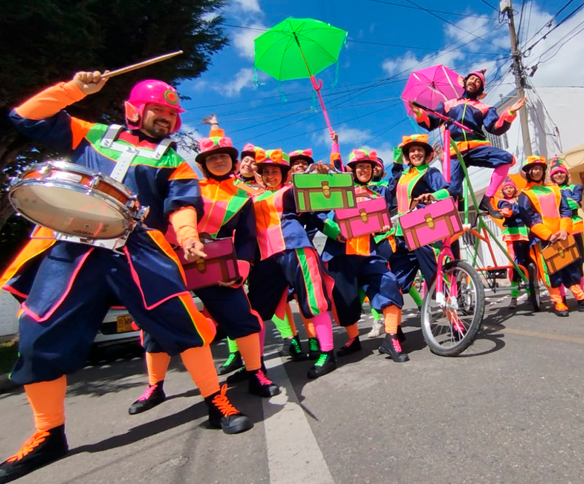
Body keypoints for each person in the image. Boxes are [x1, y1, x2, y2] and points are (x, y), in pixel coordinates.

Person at [0, 73, 252, 482]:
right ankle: (48, 433)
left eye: (173, 114)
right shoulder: (91, 133)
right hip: (71, 243)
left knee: (184, 322)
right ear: (135, 110)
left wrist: (187, 235)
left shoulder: (175, 160)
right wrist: (75, 90)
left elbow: (182, 205)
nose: (167, 119)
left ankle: (215, 399)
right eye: (160, 111)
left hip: (137, 247)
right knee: (37, 335)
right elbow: (25, 117)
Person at [129, 119, 280, 416]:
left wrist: (240, 268)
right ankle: (155, 386)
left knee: (241, 316)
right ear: (203, 163)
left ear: (233, 162)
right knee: (155, 324)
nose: (219, 161)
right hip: (173, 260)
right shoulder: (188, 187)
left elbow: (248, 238)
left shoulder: (242, 198)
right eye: (212, 157)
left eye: (224, 156)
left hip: (218, 267)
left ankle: (256, 372)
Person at [247, 148, 338, 379]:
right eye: (265, 171)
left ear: (284, 173)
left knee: (314, 299)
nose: (270, 175)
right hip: (265, 256)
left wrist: (327, 175)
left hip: (295, 248)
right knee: (255, 308)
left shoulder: (293, 191)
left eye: (275, 171)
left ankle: (327, 353)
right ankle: (254, 365)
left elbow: (328, 198)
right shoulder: (252, 198)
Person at [317, 148, 407, 362]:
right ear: (352, 170)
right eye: (360, 167)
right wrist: (333, 230)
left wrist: (384, 227)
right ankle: (353, 339)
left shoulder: (377, 196)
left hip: (370, 253)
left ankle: (391, 338)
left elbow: (380, 224)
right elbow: (318, 215)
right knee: (344, 301)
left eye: (367, 166)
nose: (364, 170)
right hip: (341, 254)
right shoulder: (339, 190)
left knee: (390, 283)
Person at [410, 68, 525, 218]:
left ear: (481, 89)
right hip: (454, 150)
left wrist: (509, 113)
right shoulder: (447, 105)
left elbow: (495, 127)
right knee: (451, 190)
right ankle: (449, 218)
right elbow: (431, 122)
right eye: (471, 78)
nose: (474, 81)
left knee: (507, 159)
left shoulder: (485, 108)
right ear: (464, 82)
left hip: (476, 146)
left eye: (478, 81)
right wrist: (419, 112)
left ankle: (488, 198)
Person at [517, 156, 584, 316]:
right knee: (550, 270)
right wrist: (548, 235)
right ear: (528, 172)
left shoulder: (554, 188)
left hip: (562, 235)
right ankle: (557, 300)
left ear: (544, 171)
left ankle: (581, 298)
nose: (537, 171)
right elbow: (528, 218)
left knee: (570, 266)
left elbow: (565, 209)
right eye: (533, 168)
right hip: (543, 239)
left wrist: (564, 230)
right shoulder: (524, 194)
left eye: (539, 168)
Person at [386, 134, 450, 304]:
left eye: (419, 150)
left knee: (433, 276)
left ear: (426, 153)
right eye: (412, 150)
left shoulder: (431, 172)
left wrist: (433, 195)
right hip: (402, 233)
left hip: (423, 227)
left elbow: (447, 191)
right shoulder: (403, 176)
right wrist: (398, 153)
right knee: (395, 280)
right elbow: (392, 185)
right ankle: (393, 327)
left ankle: (452, 314)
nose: (416, 153)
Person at [549, 156, 584, 299]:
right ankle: (562, 297)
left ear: (566, 174)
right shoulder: (550, 190)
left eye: (561, 172)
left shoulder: (575, 188)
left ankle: (581, 294)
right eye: (555, 173)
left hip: (575, 228)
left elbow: (575, 203)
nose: (559, 175)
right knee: (559, 263)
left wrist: (557, 206)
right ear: (551, 176)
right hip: (557, 230)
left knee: (579, 261)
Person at [496, 178, 530, 311]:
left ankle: (530, 294)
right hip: (511, 235)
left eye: (511, 187)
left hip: (523, 233)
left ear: (515, 188)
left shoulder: (520, 199)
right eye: (506, 188)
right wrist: (508, 210)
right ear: (502, 191)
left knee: (527, 263)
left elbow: (522, 210)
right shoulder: (502, 202)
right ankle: (514, 297)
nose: (509, 190)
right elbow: (507, 208)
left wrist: (514, 209)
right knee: (513, 265)